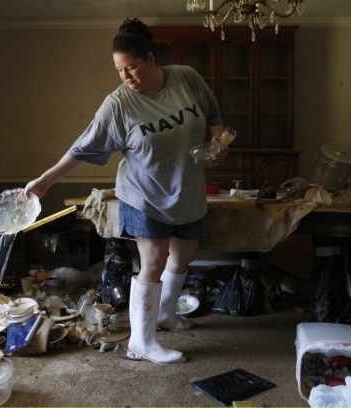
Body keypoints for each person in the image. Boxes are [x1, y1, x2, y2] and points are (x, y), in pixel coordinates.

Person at [24, 17, 227, 364]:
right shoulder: (117, 105)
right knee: (154, 260)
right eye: (119, 70)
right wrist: (45, 181)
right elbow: (81, 149)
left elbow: (212, 116)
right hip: (143, 193)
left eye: (131, 68)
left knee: (184, 257)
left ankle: (164, 314)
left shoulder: (186, 78)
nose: (125, 77)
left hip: (187, 189)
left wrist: (219, 142)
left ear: (151, 58)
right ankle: (141, 342)